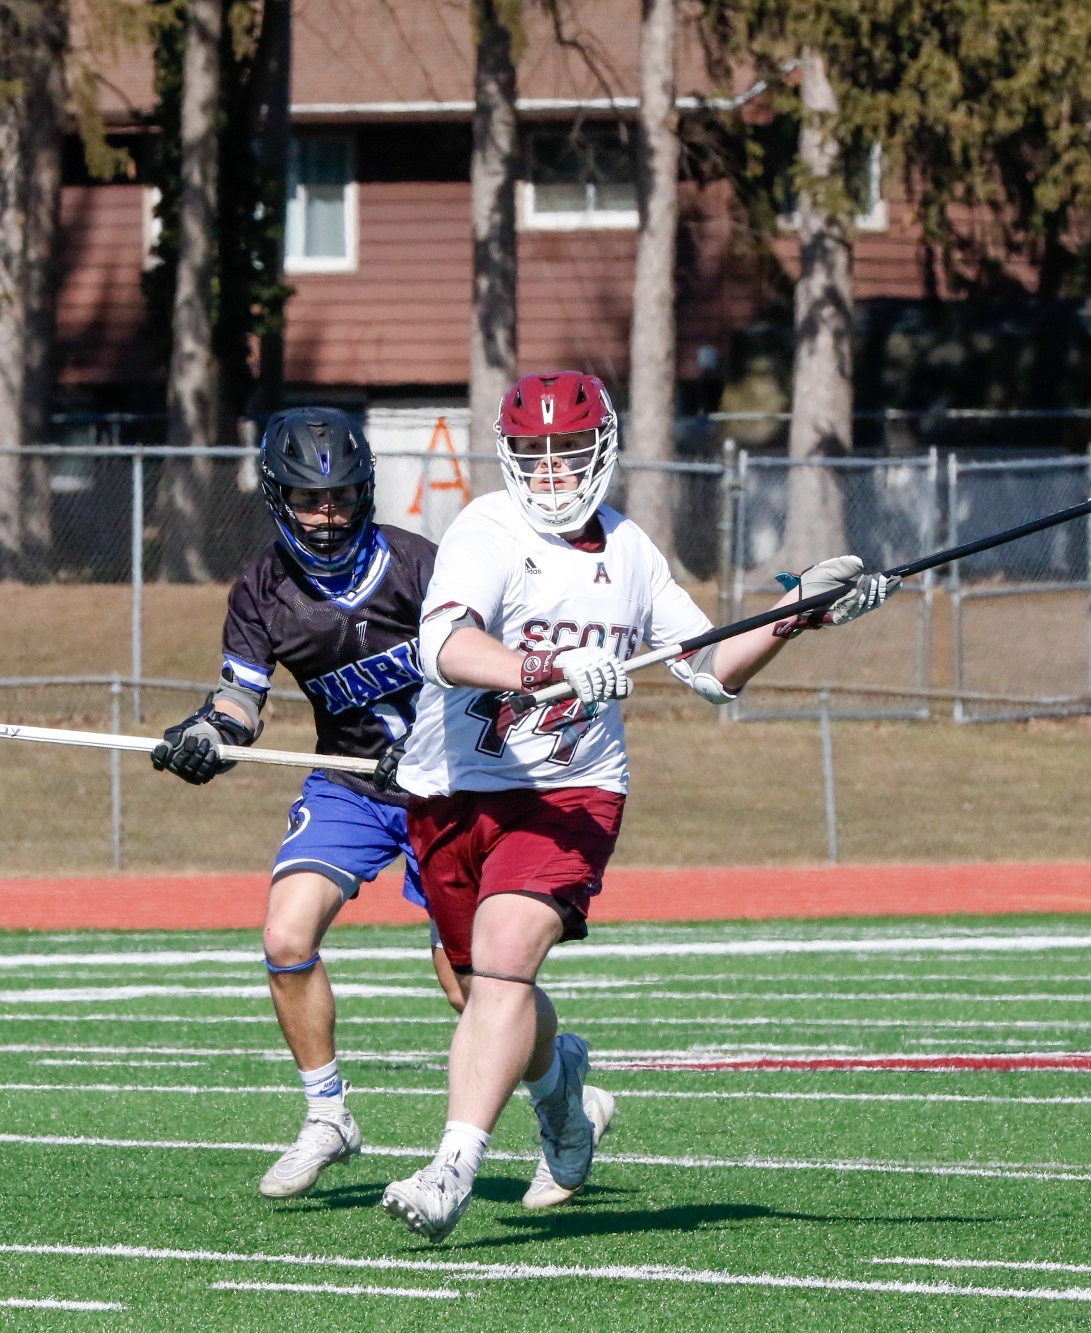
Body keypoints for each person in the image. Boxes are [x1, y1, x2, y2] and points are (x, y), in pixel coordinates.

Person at [377, 371, 899, 1241]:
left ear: (603, 451)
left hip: (571, 791)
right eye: (534, 454)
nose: (551, 472)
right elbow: (444, 644)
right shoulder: (487, 529)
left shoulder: (631, 551)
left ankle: (451, 1167)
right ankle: (565, 1098)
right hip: (452, 792)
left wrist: (795, 611)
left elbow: (709, 668)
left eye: (568, 452)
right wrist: (543, 668)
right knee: (475, 988)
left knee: (505, 957)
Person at [151, 406, 466, 1200]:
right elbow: (240, 701)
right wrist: (207, 734)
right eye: (307, 499)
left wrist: (432, 738)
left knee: (467, 982)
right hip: (350, 783)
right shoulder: (263, 589)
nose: (326, 516)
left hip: (448, 787)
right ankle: (327, 1114)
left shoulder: (421, 565)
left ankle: (561, 1085)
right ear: (277, 497)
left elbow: (483, 677)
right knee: (285, 933)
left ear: (364, 493)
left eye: (339, 497)